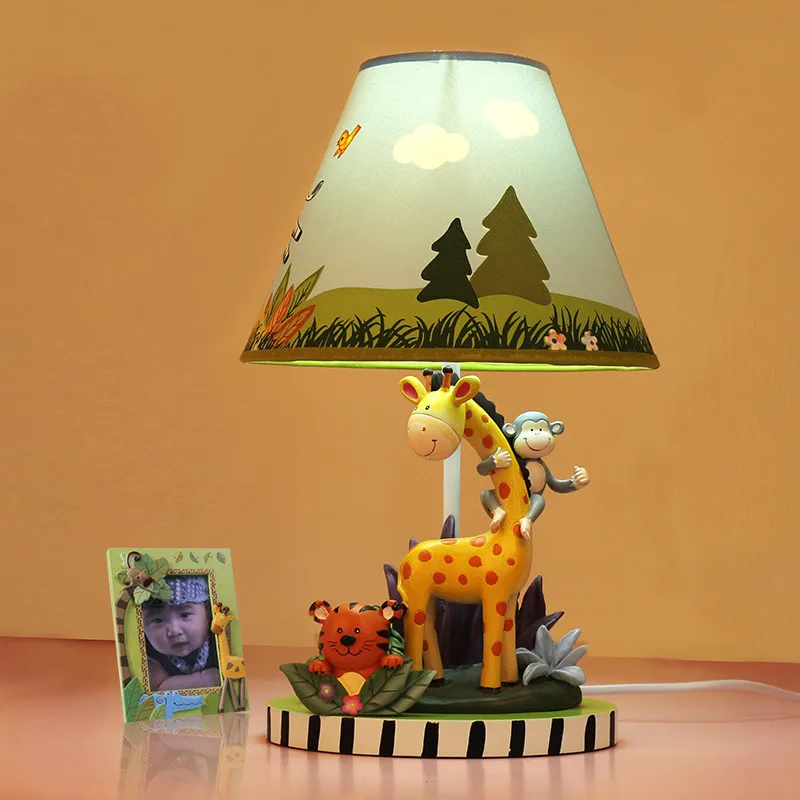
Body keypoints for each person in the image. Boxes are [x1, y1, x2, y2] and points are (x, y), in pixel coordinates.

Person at [142, 575, 220, 691]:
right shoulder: (148, 654)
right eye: (158, 620)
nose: (174, 631)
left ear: (208, 613)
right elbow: (157, 688)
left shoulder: (219, 638)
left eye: (185, 615)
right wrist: (204, 679)